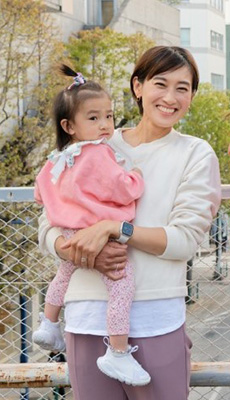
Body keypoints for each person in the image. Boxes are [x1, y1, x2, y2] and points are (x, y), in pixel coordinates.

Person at [38, 46, 221, 400]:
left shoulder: (195, 153)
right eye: (160, 84)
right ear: (138, 87)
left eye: (182, 88)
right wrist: (78, 251)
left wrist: (114, 229)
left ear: (192, 96)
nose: (170, 97)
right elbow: (48, 226)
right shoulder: (91, 142)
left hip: (157, 319)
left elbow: (184, 239)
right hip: (86, 317)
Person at [33, 65, 149, 385]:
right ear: (69, 125)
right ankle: (118, 350)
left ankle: (48, 323)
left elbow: (40, 191)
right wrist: (136, 176)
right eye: (94, 118)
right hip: (100, 234)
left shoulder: (59, 157)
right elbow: (121, 187)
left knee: (63, 274)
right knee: (122, 284)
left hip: (69, 232)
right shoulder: (98, 154)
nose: (105, 125)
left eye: (109, 117)